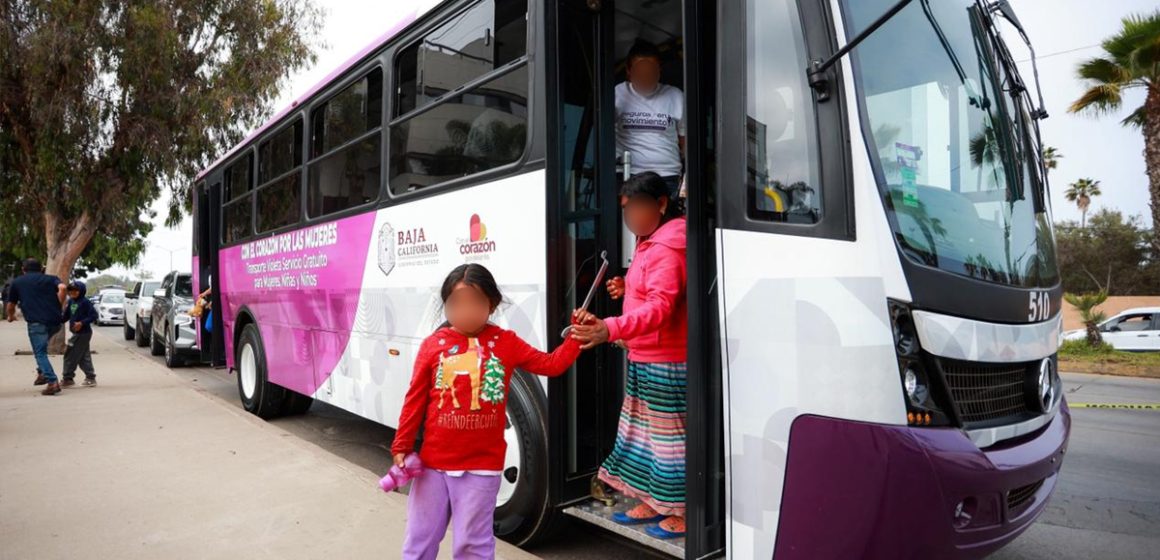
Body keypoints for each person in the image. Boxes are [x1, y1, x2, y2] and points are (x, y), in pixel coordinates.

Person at [391, 264, 586, 560]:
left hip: (481, 469)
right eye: (456, 303)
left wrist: (575, 337)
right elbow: (414, 399)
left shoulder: (506, 343)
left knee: (472, 544)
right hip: (432, 466)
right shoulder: (433, 345)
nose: (465, 311)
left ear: (491, 305)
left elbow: (552, 364)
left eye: (475, 302)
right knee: (420, 539)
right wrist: (402, 446)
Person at [572, 172, 688, 539]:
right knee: (645, 437)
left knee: (668, 442)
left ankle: (682, 510)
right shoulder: (650, 242)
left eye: (637, 207)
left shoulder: (667, 247)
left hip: (665, 359)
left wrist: (610, 328)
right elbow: (653, 291)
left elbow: (662, 307)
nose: (631, 217)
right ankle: (656, 501)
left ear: (662, 204)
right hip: (645, 354)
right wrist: (628, 287)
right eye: (626, 210)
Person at [615, 40, 686, 201]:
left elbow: (684, 140)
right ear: (629, 71)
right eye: (640, 72)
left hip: (667, 176)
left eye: (651, 72)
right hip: (630, 176)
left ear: (659, 71)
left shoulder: (675, 96)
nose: (645, 78)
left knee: (666, 217)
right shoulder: (618, 95)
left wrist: (686, 174)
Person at [6, 258, 67, 395]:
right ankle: (42, 373)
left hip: (37, 323)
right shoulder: (51, 279)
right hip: (55, 322)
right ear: (41, 269)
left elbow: (11, 305)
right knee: (42, 348)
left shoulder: (18, 282)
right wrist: (60, 304)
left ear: (23, 269)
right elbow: (63, 288)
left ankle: (52, 382)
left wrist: (10, 316)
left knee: (40, 353)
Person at [60, 280, 98, 387]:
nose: (73, 292)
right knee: (83, 356)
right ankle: (90, 377)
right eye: (70, 290)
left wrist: (82, 323)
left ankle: (68, 378)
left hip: (83, 333)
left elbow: (94, 315)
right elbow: (65, 316)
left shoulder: (85, 302)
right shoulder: (71, 302)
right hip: (76, 333)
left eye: (75, 290)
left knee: (70, 354)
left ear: (81, 291)